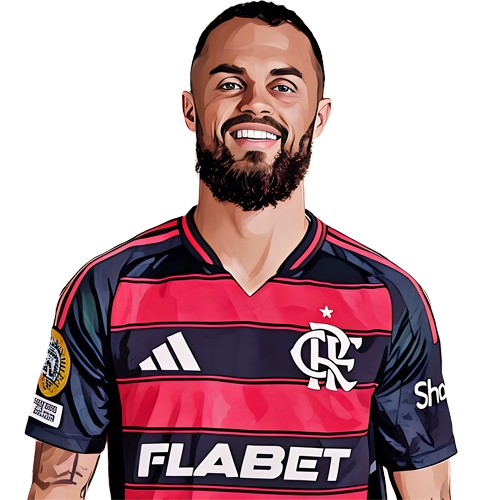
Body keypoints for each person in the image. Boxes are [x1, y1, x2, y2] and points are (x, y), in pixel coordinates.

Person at [25, 1, 458, 498]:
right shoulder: (108, 287)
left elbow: (428, 491)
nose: (256, 104)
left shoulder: (389, 297)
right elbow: (54, 487)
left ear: (319, 118)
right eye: (230, 84)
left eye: (283, 86)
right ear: (190, 109)